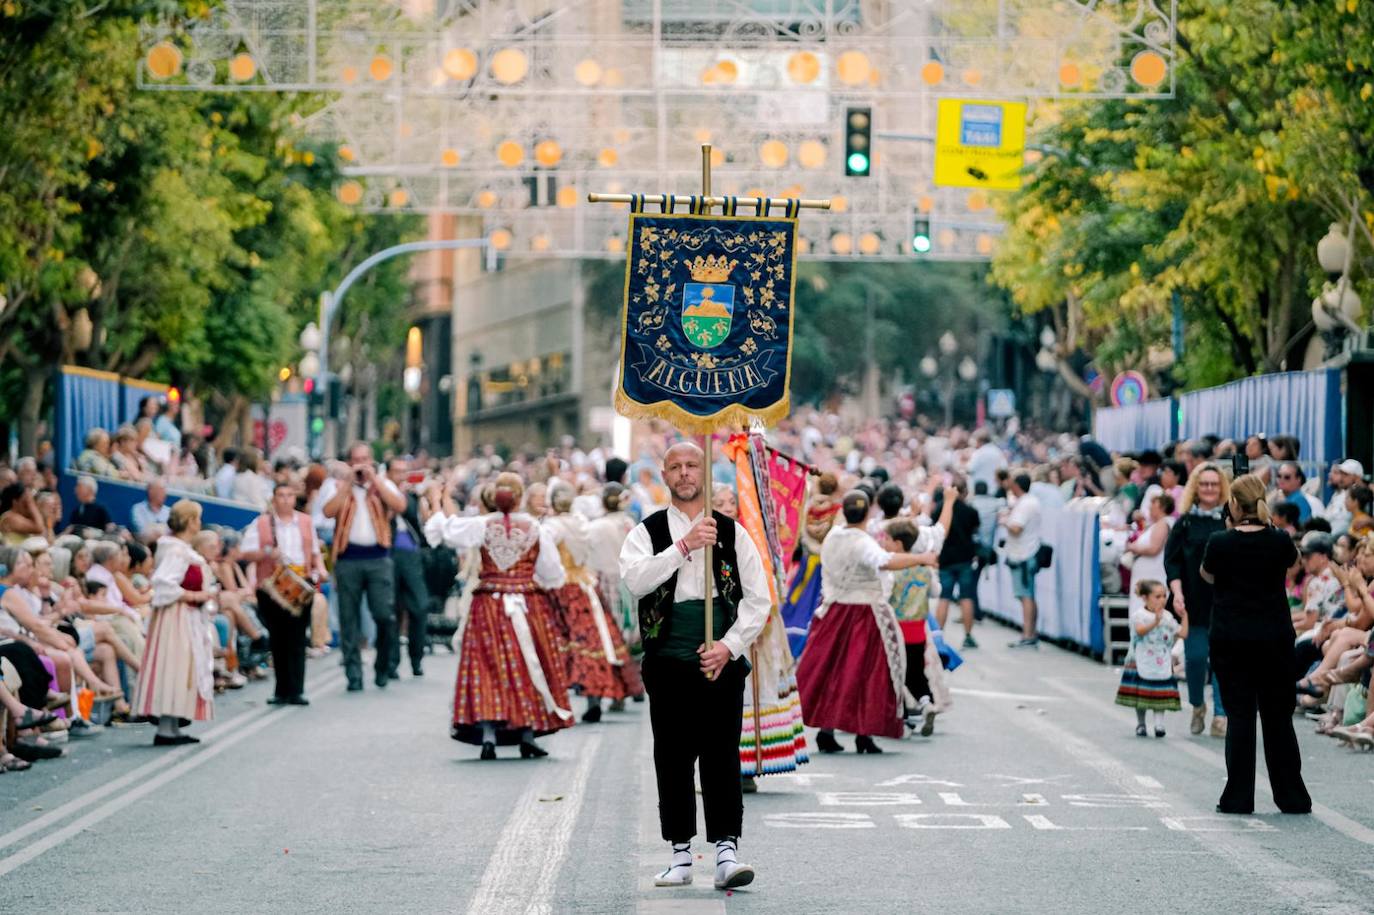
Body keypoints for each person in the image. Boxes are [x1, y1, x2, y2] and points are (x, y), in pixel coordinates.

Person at [619, 442, 768, 891]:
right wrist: (683, 546)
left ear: (705, 472)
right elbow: (636, 580)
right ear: (663, 475)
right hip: (668, 657)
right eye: (676, 467)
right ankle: (680, 853)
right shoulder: (645, 532)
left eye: (692, 465)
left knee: (722, 750)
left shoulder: (734, 532)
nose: (685, 473)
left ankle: (726, 850)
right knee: (673, 753)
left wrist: (729, 646)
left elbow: (757, 600)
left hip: (719, 657)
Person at [424, 472, 574, 760]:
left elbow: (445, 531)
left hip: (488, 605)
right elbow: (553, 574)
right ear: (519, 497)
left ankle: (489, 737)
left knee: (487, 667)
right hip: (527, 605)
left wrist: (435, 500)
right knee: (528, 664)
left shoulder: (482, 524)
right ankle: (527, 733)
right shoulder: (535, 528)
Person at [797, 488, 944, 754]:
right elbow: (884, 560)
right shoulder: (861, 541)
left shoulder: (833, 535)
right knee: (865, 674)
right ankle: (863, 732)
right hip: (862, 614)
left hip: (832, 612)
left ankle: (826, 731)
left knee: (832, 672)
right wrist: (922, 558)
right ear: (867, 514)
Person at [1199, 474, 1311, 815]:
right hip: (1274, 638)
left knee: (1241, 717)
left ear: (1233, 504)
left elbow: (1207, 575)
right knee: (1278, 718)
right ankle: (1291, 796)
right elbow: (1293, 567)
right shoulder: (1279, 540)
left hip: (1232, 639)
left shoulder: (1220, 542)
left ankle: (1238, 797)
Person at [545, 481, 634, 722]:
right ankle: (593, 696)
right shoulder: (583, 523)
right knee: (591, 641)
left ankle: (555, 701)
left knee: (558, 641)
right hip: (585, 584)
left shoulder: (553, 527)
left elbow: (547, 558)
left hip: (561, 584)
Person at [322, 442, 406, 692]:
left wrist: (374, 481)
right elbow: (328, 512)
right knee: (349, 618)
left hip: (378, 558)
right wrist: (348, 483)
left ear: (372, 461)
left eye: (365, 459)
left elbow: (400, 506)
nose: (361, 464)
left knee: (384, 614)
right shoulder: (338, 485)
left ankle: (382, 666)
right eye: (356, 460)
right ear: (349, 463)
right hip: (348, 559)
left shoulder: (382, 484)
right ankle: (353, 673)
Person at [134, 500, 216, 745]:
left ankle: (170, 726)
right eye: (197, 519)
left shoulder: (178, 548)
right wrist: (194, 595)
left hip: (182, 616)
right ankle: (167, 728)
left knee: (179, 669)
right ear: (190, 521)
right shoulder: (176, 550)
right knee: (176, 668)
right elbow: (163, 584)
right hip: (176, 617)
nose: (199, 523)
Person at [240, 483, 325, 706]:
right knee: (278, 637)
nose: (286, 500)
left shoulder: (306, 522)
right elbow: (246, 553)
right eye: (281, 495)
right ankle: (281, 689)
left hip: (299, 582)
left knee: (297, 637)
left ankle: (296, 689)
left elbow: (315, 552)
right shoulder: (261, 523)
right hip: (272, 586)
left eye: (290, 495)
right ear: (274, 499)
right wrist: (267, 552)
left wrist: (319, 570)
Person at [1164, 462, 1230, 738]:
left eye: (1214, 484)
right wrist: (1177, 593)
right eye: (1204, 484)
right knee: (1195, 657)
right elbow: (1173, 562)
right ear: (1195, 487)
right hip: (1192, 601)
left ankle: (1221, 715)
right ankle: (1197, 704)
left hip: (1225, 602)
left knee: (1223, 660)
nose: (1209, 489)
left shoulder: (1229, 520)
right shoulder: (1185, 522)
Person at [882, 519, 941, 735]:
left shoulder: (892, 571)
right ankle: (927, 703)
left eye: (887, 539)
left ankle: (902, 716)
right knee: (917, 671)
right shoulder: (925, 570)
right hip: (918, 629)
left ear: (898, 544)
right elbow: (936, 592)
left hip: (897, 630)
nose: (884, 543)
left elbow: (885, 597)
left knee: (896, 674)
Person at [1115, 579, 1186, 737]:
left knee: (1159, 694)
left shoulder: (1167, 616)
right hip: (1140, 661)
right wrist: (1155, 621)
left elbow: (1183, 633)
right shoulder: (1138, 616)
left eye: (1164, 596)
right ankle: (1141, 723)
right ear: (1145, 598)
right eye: (1157, 596)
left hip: (1161, 660)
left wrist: (1184, 615)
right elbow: (1140, 631)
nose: (1162, 599)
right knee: (1142, 695)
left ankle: (1159, 725)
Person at [779, 472, 839, 657]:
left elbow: (799, 532)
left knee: (799, 597)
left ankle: (791, 630)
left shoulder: (807, 507)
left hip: (808, 560)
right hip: (826, 562)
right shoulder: (838, 510)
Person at [385, 457, 429, 679]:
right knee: (393, 609)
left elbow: (423, 520)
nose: (401, 476)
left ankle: (416, 658)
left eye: (404, 472)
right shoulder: (382, 493)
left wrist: (418, 496)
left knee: (419, 607)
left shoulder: (412, 495)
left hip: (412, 555)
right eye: (396, 472)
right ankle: (392, 662)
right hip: (390, 554)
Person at [934, 480, 982, 649]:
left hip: (945, 559)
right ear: (965, 492)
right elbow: (976, 533)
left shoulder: (940, 509)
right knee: (966, 597)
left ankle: (938, 635)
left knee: (944, 597)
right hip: (965, 559)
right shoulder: (971, 511)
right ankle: (968, 636)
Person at [1002, 473, 1042, 648]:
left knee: (1026, 596)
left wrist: (1005, 522)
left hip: (1023, 555)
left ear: (1017, 485)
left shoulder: (1025, 504)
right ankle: (1031, 633)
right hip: (1026, 552)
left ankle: (1027, 634)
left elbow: (1017, 528)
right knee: (1028, 595)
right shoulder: (1029, 502)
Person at [1126, 493, 1175, 616]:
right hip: (1146, 576)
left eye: (1153, 505)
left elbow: (1154, 548)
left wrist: (1132, 547)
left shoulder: (1163, 523)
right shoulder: (1156, 524)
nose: (1150, 509)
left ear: (1161, 507)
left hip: (1154, 575)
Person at [130, 479, 171, 544]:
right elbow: (142, 532)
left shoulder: (169, 511)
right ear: (151, 491)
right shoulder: (137, 509)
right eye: (161, 490)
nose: (165, 494)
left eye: (165, 491)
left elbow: (172, 533)